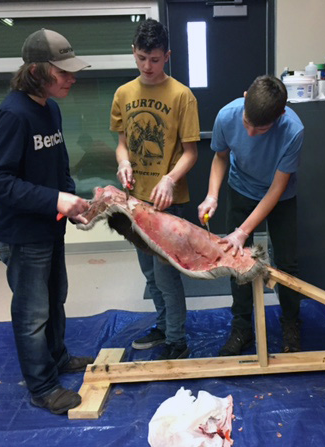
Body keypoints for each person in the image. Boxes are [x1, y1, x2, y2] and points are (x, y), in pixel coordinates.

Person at [0, 29, 94, 415]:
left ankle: (57, 358)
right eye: (62, 72)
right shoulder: (13, 115)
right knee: (32, 314)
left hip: (49, 226)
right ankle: (42, 387)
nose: (71, 78)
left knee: (55, 298)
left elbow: (58, 164)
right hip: (21, 234)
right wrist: (54, 199)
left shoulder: (50, 107)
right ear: (35, 71)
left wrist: (71, 203)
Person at [111, 19, 200, 360]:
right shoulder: (124, 94)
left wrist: (169, 178)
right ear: (134, 54)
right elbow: (121, 144)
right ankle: (163, 326)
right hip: (136, 201)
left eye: (155, 59)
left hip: (168, 202)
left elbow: (191, 153)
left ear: (167, 56)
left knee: (166, 277)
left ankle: (177, 341)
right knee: (149, 274)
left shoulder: (182, 96)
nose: (147, 66)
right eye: (141, 58)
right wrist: (123, 162)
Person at [197, 75, 304, 356]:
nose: (252, 133)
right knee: (237, 259)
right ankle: (242, 328)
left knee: (287, 262)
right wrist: (212, 195)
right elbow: (220, 157)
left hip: (279, 197)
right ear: (245, 97)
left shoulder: (293, 130)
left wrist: (243, 230)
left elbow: (277, 189)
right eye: (247, 124)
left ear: (280, 115)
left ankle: (291, 323)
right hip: (241, 188)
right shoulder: (226, 116)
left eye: (262, 128)